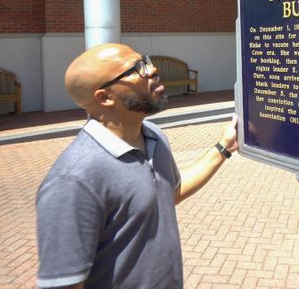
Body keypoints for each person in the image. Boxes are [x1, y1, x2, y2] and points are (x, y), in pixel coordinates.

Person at [36, 43, 238, 288]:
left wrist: (224, 148)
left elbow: (170, 193)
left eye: (145, 60)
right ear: (105, 97)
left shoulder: (152, 135)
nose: (152, 70)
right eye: (135, 69)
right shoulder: (73, 181)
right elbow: (65, 284)